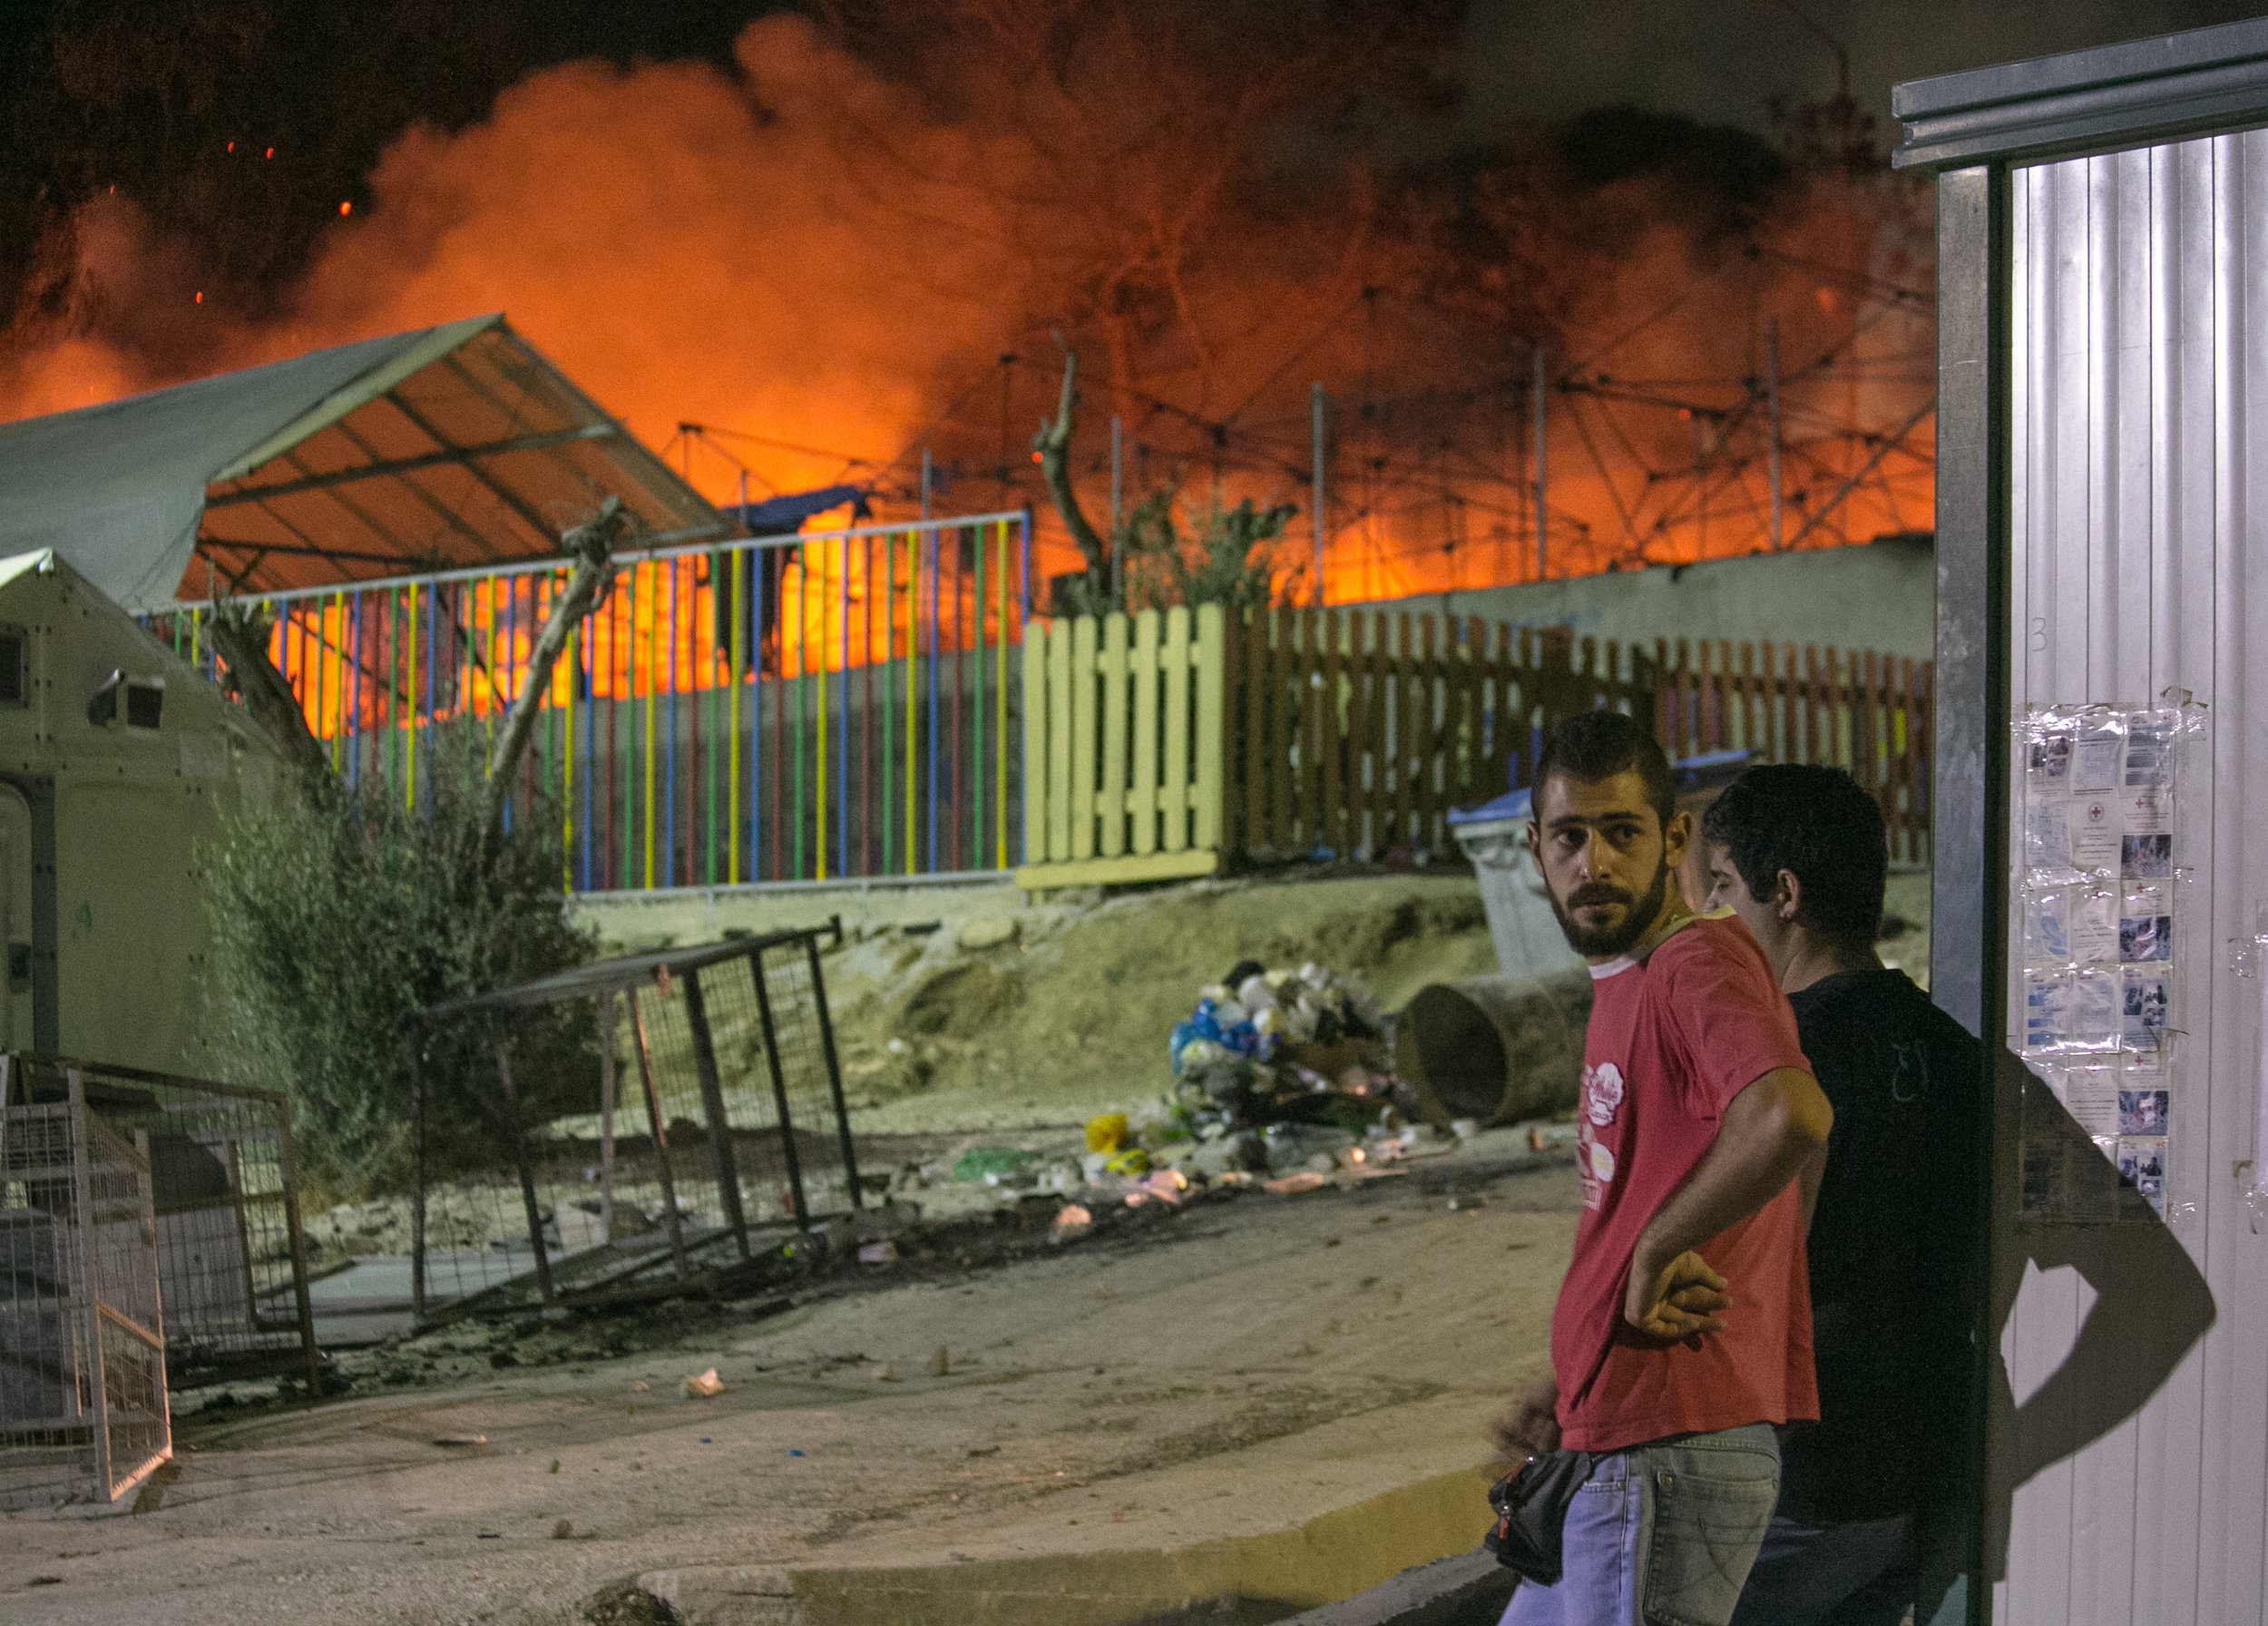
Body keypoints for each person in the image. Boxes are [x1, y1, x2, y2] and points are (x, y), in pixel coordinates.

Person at [1494, 711, 1833, 1626]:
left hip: (1668, 1445)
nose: (1592, 862)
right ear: (1535, 848)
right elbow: (1794, 1152)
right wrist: (1582, 1369)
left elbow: (1793, 1114)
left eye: (1620, 832)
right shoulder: (1630, 979)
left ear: (1673, 836)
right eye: (1570, 836)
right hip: (1621, 1431)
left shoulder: (1693, 963)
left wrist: (1657, 1255)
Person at [1699, 764, 1980, 1626]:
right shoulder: (1949, 1048)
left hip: (1800, 1482)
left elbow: (1729, 1278)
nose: (1716, 914)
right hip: (1919, 1475)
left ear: (1783, 893)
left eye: (1722, 885)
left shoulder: (1778, 1066)